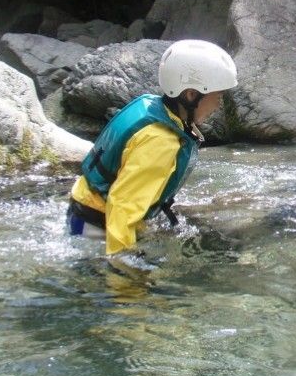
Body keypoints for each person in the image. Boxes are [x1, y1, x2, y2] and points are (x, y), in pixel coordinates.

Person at [67, 39, 238, 264]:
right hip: (96, 225)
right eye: (217, 96)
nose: (218, 105)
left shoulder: (152, 106)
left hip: (84, 210)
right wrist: (126, 278)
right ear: (190, 95)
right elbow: (123, 207)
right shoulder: (161, 141)